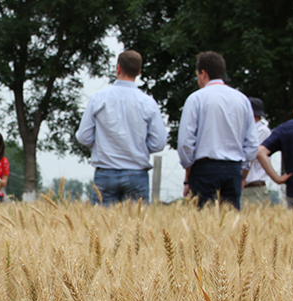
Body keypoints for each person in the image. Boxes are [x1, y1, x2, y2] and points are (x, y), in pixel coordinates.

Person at [75, 50, 168, 205]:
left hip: (105, 173)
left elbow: (83, 136)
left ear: (118, 68)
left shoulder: (99, 98)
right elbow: (159, 142)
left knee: (102, 227)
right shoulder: (148, 102)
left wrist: (102, 143)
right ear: (139, 72)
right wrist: (138, 147)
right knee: (136, 227)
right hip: (137, 173)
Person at [176, 51, 258, 210]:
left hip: (204, 168)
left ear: (203, 73)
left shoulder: (196, 98)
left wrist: (189, 169)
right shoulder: (242, 99)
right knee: (231, 225)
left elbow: (186, 142)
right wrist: (243, 170)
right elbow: (252, 144)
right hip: (234, 167)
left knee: (203, 223)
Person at [241, 97, 274, 207]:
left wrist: (241, 178)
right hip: (244, 187)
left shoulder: (261, 131)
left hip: (253, 187)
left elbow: (250, 155)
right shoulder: (245, 130)